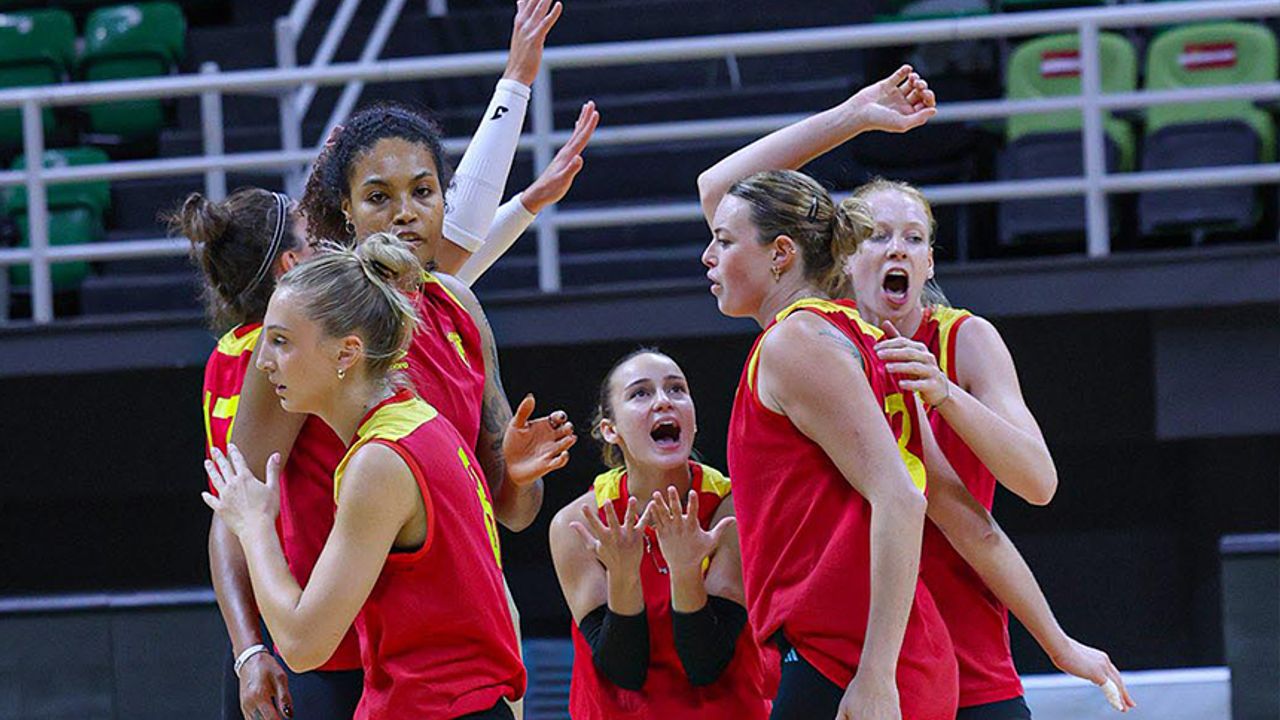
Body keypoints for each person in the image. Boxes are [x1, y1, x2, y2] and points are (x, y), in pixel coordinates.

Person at [695, 75, 1136, 717]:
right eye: (877, 235)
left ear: (931, 262)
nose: (895, 249)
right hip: (878, 642)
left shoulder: (938, 340)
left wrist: (947, 393)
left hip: (912, 647)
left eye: (913, 237)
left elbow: (1011, 497)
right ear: (846, 255)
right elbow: (726, 196)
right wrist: (853, 117)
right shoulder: (842, 338)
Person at [219, 2, 595, 716]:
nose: (404, 212)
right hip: (326, 649)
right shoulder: (307, 328)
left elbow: (512, 512)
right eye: (378, 197)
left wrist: (514, 477)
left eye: (423, 193)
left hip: (436, 657)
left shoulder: (457, 308)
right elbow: (237, 504)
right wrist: (247, 649)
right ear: (346, 210)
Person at [203, 234, 524, 719]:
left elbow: (302, 645)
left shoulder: (379, 463)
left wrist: (254, 526)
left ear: (347, 353)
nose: (263, 360)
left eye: (281, 341)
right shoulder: (419, 421)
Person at [704, 167, 957, 720]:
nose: (708, 256)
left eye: (723, 241)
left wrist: (877, 675)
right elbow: (716, 185)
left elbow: (901, 498)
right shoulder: (835, 331)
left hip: (851, 658)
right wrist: (855, 122)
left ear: (781, 253)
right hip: (847, 649)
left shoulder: (798, 341)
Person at [548, 349, 770, 719]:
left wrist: (684, 570)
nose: (664, 401)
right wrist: (623, 573)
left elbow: (706, 663)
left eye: (676, 389)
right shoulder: (577, 523)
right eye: (640, 393)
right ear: (610, 430)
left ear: (692, 420)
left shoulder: (734, 507)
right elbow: (623, 670)